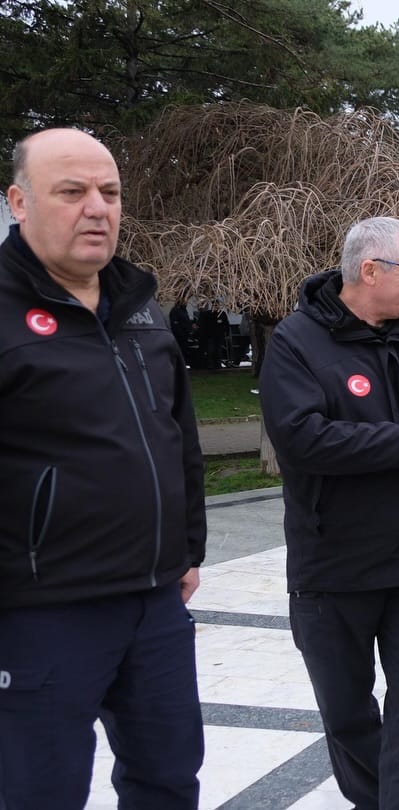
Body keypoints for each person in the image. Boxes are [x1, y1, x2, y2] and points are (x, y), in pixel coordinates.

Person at [0, 128, 207, 809]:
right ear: (20, 202)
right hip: (41, 615)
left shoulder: (141, 309)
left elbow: (179, 437)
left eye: (110, 193)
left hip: (154, 605)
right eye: (73, 192)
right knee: (39, 794)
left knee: (169, 782)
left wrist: (189, 549)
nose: (97, 208)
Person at [259, 216, 399, 809]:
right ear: (370, 271)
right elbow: (302, 440)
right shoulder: (296, 342)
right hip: (336, 569)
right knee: (348, 713)